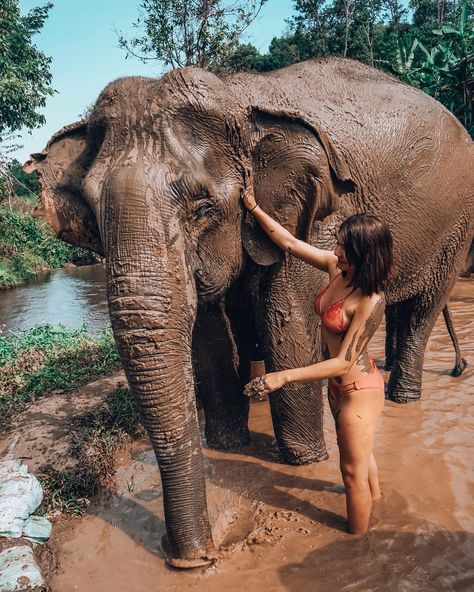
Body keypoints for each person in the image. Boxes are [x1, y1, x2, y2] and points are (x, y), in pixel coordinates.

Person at [242, 189, 394, 535]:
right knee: (361, 459)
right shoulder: (336, 271)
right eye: (338, 245)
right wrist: (253, 207)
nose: (336, 251)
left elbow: (342, 362)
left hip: (359, 391)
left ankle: (358, 548)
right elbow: (291, 245)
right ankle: (379, 507)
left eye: (344, 248)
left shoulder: (370, 301)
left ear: (365, 255)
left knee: (351, 473)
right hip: (337, 389)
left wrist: (282, 377)